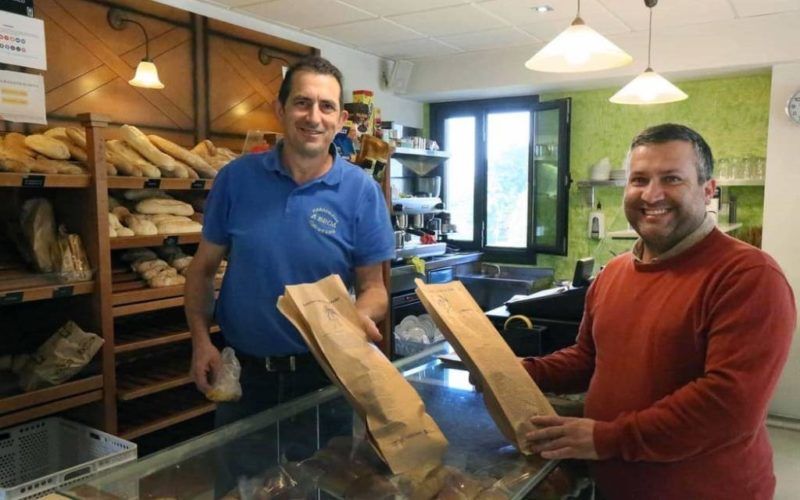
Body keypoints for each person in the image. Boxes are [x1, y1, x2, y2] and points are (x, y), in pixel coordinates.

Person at [521, 123, 795, 500]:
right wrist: (516, 372)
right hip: (617, 483)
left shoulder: (748, 276)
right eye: (639, 179)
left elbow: (727, 407)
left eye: (672, 179)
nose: (652, 194)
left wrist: (605, 438)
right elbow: (589, 359)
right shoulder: (614, 273)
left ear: (708, 190)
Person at [184, 55, 394, 477]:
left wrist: (355, 320)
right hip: (245, 378)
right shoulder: (235, 179)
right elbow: (202, 270)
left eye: (326, 106)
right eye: (302, 103)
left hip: (324, 378)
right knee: (239, 488)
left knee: (322, 487)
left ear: (339, 118)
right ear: (280, 110)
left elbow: (375, 288)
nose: (314, 117)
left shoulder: (361, 191)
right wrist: (201, 342)